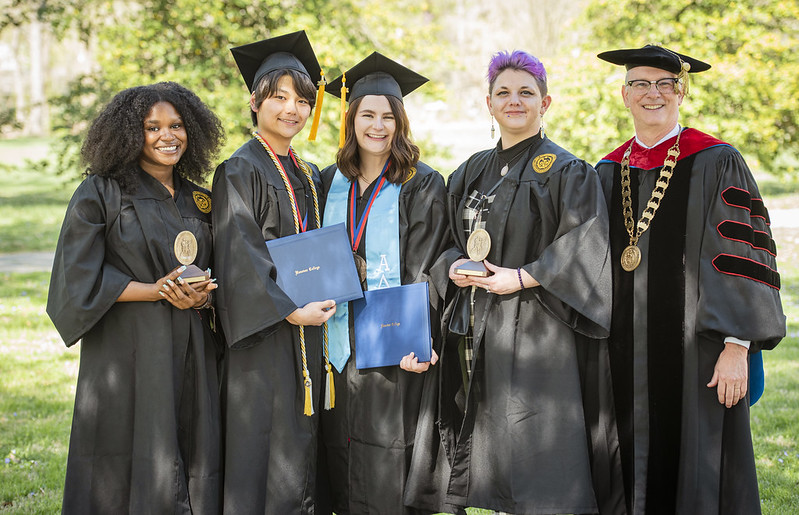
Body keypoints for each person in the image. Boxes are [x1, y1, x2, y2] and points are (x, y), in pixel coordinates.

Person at [404, 50, 615, 515]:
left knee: (534, 442)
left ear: (546, 102)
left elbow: (585, 241)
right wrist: (454, 265)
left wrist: (524, 277)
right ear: (488, 103)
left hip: (539, 330)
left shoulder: (566, 171)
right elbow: (444, 242)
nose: (514, 101)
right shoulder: (470, 171)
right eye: (504, 93)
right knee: (489, 438)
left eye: (526, 92)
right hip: (476, 326)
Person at [595, 44, 786, 514]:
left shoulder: (717, 160)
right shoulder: (606, 169)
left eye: (664, 84)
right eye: (640, 84)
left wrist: (737, 347)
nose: (652, 94)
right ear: (624, 95)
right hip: (621, 355)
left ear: (680, 93)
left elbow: (744, 252)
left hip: (698, 354)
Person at [47, 82, 225, 513]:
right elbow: (76, 277)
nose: (169, 135)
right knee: (130, 446)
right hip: (127, 351)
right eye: (153, 127)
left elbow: (224, 271)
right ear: (130, 133)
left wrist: (201, 299)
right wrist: (157, 290)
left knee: (192, 442)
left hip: (192, 348)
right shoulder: (101, 193)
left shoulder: (201, 199)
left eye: (177, 125)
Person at [315, 52, 450, 515]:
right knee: (337, 449)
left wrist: (419, 337)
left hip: (391, 347)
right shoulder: (326, 181)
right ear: (351, 119)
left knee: (390, 454)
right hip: (333, 341)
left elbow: (428, 267)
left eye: (387, 116)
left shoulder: (422, 184)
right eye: (367, 114)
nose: (377, 125)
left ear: (400, 122)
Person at [211, 30, 336, 514]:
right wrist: (289, 312)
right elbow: (238, 256)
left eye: (303, 100)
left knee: (301, 447)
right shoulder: (238, 171)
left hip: (310, 328)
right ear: (255, 101)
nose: (293, 109)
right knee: (266, 448)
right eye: (279, 97)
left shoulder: (307, 172)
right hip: (266, 337)